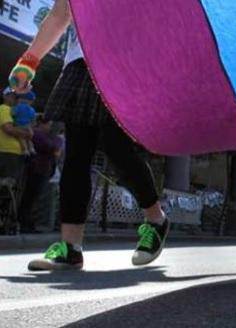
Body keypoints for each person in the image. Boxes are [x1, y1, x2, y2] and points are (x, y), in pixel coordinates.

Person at [12, 0, 168, 271]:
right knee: (76, 156)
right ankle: (71, 248)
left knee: (116, 147)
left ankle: (156, 219)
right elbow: (61, 12)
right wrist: (29, 60)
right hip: (81, 62)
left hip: (127, 64)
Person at [17, 115, 62, 233]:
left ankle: (29, 222)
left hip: (43, 169)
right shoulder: (37, 134)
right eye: (48, 125)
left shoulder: (47, 136)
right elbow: (50, 146)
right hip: (36, 169)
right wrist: (56, 143)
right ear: (42, 124)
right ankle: (24, 222)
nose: (49, 128)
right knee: (30, 196)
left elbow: (55, 147)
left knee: (34, 197)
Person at [0, 87, 30, 183]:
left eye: (16, 97)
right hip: (8, 152)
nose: (15, 99)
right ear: (4, 96)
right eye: (12, 96)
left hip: (13, 153)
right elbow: (8, 129)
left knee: (11, 186)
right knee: (7, 186)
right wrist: (26, 133)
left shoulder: (15, 111)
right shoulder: (4, 109)